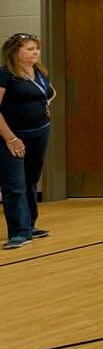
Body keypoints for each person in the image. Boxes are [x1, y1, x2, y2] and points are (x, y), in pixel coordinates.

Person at [1, 32, 56, 250]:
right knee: (14, 183)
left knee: (30, 179)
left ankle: (30, 225)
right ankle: (18, 233)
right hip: (12, 136)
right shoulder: (5, 75)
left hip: (39, 132)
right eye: (30, 49)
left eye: (36, 49)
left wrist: (43, 107)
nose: (35, 53)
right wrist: (11, 138)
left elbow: (49, 93)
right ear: (15, 52)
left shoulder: (39, 72)